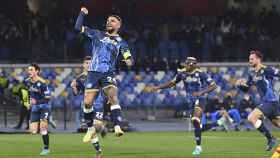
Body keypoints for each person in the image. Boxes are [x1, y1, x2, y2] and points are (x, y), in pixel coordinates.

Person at [74, 7, 133, 142]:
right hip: (93, 73)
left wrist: (129, 61)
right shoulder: (97, 34)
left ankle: (117, 126)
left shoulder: (121, 42)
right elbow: (77, 28)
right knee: (87, 103)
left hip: (108, 72)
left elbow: (128, 57)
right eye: (107, 21)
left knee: (112, 96)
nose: (109, 23)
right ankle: (90, 129)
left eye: (112, 21)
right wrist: (82, 13)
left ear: (118, 25)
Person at [147, 57, 217, 156]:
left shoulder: (201, 73)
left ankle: (198, 147)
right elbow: (172, 83)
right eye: (187, 64)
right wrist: (158, 87)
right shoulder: (182, 73)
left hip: (200, 99)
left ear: (194, 65)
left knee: (195, 119)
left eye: (190, 64)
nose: (187, 65)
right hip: (190, 101)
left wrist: (201, 92)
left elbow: (214, 85)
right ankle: (217, 123)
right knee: (198, 126)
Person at [236, 50, 280, 151]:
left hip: (270, 102)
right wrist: (239, 85)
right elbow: (246, 89)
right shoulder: (252, 74)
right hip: (268, 103)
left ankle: (271, 138)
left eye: (252, 59)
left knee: (252, 117)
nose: (250, 61)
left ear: (258, 59)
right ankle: (271, 138)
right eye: (249, 59)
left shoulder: (267, 70)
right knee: (277, 124)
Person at [71, 56, 108, 158]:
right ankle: (99, 151)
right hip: (87, 106)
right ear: (83, 65)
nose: (88, 65)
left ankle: (101, 127)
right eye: (86, 63)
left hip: (98, 104)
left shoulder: (99, 76)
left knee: (95, 126)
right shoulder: (80, 78)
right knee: (91, 128)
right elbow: (76, 93)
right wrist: (74, 87)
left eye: (90, 63)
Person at [25, 63, 51, 155]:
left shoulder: (42, 83)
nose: (29, 71)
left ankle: (46, 148)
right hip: (35, 109)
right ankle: (48, 120)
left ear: (37, 71)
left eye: (31, 69)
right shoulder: (27, 81)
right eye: (28, 70)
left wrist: (37, 102)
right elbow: (27, 93)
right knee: (33, 131)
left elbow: (48, 98)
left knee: (43, 128)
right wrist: (27, 102)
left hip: (44, 107)